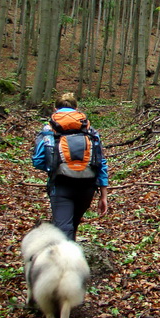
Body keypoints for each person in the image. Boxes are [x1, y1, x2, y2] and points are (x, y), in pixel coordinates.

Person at [32, 93, 109, 240]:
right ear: (76, 108)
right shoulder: (90, 131)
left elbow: (38, 160)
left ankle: (64, 259)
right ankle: (69, 255)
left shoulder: (49, 130)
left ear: (55, 109)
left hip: (61, 184)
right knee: (72, 225)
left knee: (63, 228)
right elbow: (101, 162)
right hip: (87, 185)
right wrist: (104, 195)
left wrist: (57, 166)